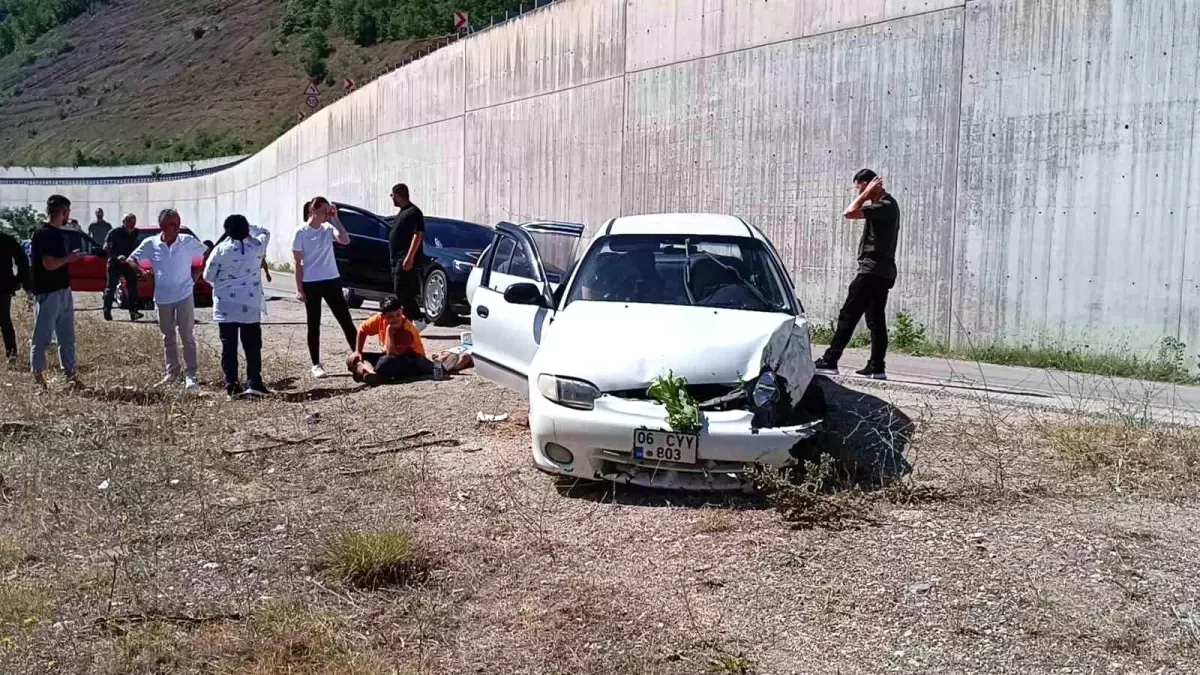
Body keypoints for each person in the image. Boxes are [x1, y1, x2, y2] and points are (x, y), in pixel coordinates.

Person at [813, 169, 900, 380]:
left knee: (848, 314)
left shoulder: (885, 205)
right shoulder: (884, 206)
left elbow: (849, 213)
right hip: (882, 272)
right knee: (875, 320)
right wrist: (867, 194)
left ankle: (830, 360)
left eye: (860, 186)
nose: (859, 191)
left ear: (870, 184)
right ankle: (876, 366)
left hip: (872, 271)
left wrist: (865, 194)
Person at [126, 208, 208, 389]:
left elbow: (207, 253)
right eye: (172, 224)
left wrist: (197, 273)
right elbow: (131, 259)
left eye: (178, 223)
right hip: (162, 297)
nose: (176, 227)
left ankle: (191, 374)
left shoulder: (187, 241)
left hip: (184, 294)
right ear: (162, 226)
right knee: (167, 336)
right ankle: (172, 373)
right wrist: (141, 271)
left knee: (187, 335)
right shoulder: (151, 243)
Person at [203, 214, 272, 398]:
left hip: (226, 305)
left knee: (229, 346)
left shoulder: (220, 250)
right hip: (250, 304)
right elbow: (265, 231)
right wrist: (250, 228)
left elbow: (207, 276)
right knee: (252, 345)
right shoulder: (257, 247)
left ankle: (232, 384)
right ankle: (253, 382)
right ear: (246, 229)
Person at [292, 196, 357, 379]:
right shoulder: (300, 232)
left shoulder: (328, 228)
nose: (327, 214)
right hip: (311, 282)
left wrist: (336, 218)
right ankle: (316, 364)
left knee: (345, 319)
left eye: (329, 210)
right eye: (324, 211)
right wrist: (299, 288)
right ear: (314, 210)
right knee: (314, 323)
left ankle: (358, 355)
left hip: (331, 279)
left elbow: (345, 240)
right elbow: (297, 263)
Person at [29, 195, 81, 387]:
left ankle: (70, 375)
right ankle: (38, 378)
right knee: (42, 337)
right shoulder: (43, 234)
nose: (68, 215)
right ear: (63, 212)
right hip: (48, 292)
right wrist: (69, 259)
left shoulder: (58, 234)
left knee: (67, 336)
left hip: (63, 290)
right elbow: (49, 264)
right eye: (67, 211)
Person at [345, 296, 444, 386]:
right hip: (391, 357)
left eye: (398, 314)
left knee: (385, 362)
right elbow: (362, 329)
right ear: (383, 316)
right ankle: (371, 374)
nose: (396, 319)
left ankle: (366, 372)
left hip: (412, 360)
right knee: (354, 358)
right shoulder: (379, 319)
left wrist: (389, 332)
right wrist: (358, 351)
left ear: (402, 310)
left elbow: (391, 354)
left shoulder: (407, 330)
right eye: (390, 316)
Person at [389, 183, 427, 321]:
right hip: (397, 259)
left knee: (402, 292)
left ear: (398, 195)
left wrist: (409, 257)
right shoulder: (402, 212)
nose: (391, 198)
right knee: (403, 291)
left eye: (392, 195)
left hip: (405, 260)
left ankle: (417, 319)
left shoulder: (414, 212)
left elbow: (418, 234)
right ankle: (408, 321)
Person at [102, 213, 144, 322]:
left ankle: (134, 312)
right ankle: (107, 310)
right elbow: (106, 248)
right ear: (124, 222)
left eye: (134, 221)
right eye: (130, 221)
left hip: (128, 263)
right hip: (115, 263)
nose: (132, 224)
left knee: (133, 287)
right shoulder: (114, 233)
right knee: (111, 287)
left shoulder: (136, 233)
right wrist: (117, 256)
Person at [0, 227, 31, 364]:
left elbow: (22, 260)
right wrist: (19, 279)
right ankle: (11, 355)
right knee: (5, 321)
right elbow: (22, 260)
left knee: (4, 320)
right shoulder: (7, 240)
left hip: (3, 286)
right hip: (4, 285)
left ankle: (12, 355)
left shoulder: (6, 240)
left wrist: (19, 278)